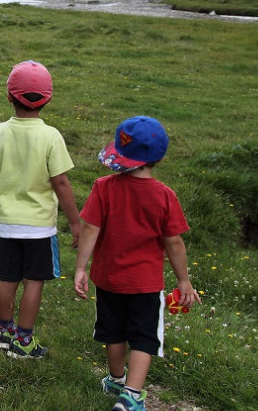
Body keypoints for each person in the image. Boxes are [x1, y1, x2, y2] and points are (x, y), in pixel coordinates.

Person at [74, 116, 201, 411]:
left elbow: (90, 229)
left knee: (114, 332)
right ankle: (131, 395)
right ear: (157, 157)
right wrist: (183, 280)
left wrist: (81, 268)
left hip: (108, 279)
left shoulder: (103, 187)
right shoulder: (165, 196)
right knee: (144, 338)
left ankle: (116, 379)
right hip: (145, 284)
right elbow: (174, 242)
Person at [0, 60, 80, 359]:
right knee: (34, 282)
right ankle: (24, 342)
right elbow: (60, 182)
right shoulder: (51, 136)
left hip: (8, 224)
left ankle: (5, 333)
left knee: (6, 278)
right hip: (40, 228)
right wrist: (75, 222)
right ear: (47, 99)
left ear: (9, 96)